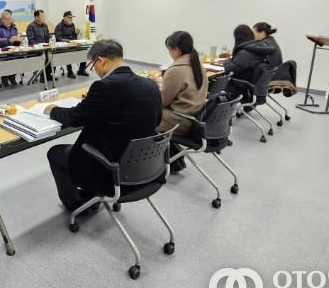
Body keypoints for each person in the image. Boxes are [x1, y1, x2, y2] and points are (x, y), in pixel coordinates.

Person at [45, 39, 163, 211]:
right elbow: (157, 121)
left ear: (101, 61)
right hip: (143, 166)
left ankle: (77, 204)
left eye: (93, 65)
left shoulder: (105, 86)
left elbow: (75, 118)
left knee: (55, 153)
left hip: (110, 167)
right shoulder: (151, 84)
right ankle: (91, 195)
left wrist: (54, 110)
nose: (95, 71)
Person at [157, 31, 208, 173]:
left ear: (177, 50)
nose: (169, 53)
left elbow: (162, 101)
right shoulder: (198, 65)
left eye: (169, 50)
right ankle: (174, 159)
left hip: (180, 121)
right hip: (194, 117)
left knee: (144, 113)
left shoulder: (176, 70)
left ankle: (155, 163)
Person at [224, 24, 276, 100]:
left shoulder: (245, 52)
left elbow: (229, 69)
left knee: (216, 81)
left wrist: (226, 61)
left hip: (242, 88)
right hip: (253, 86)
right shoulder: (257, 49)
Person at [0, 10, 23, 86]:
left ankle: (12, 76)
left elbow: (15, 42)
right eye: (6, 19)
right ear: (2, 20)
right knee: (6, 58)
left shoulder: (14, 28)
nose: (8, 21)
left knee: (20, 57)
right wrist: (9, 40)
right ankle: (4, 77)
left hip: (12, 51)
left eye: (9, 19)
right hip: (1, 51)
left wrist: (19, 40)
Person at [54, 11, 88, 78]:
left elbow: (74, 35)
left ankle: (81, 70)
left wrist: (75, 41)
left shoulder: (72, 25)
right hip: (63, 46)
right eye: (69, 17)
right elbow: (58, 38)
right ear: (64, 18)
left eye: (72, 17)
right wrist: (68, 41)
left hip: (72, 44)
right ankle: (69, 71)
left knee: (83, 49)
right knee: (68, 52)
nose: (71, 19)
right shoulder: (59, 26)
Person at [26, 9, 53, 82]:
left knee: (53, 55)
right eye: (42, 16)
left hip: (45, 48)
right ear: (36, 17)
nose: (44, 18)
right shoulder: (31, 26)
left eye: (44, 16)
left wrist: (49, 42)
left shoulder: (45, 25)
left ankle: (48, 74)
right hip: (36, 49)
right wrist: (41, 45)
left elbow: (48, 37)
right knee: (46, 56)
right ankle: (43, 76)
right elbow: (31, 41)